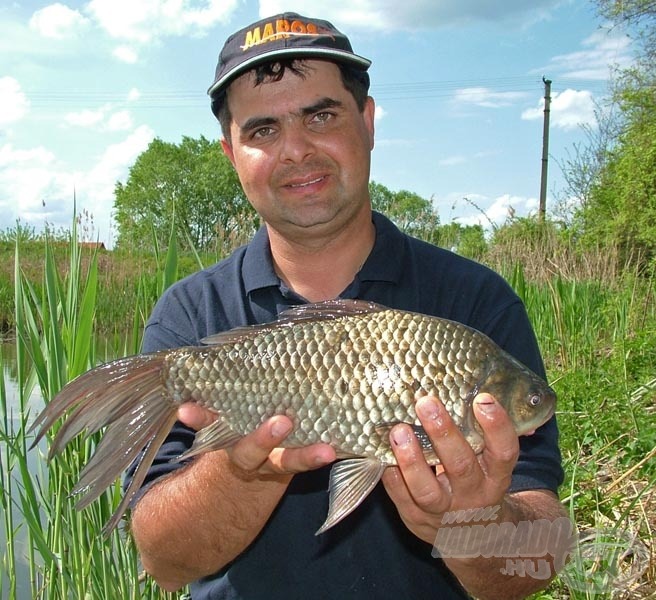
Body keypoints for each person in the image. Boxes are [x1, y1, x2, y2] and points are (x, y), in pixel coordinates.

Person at [127, 12, 568, 599]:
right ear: (232, 154)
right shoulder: (190, 316)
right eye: (262, 130)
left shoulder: (475, 299)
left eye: (321, 115)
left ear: (367, 121)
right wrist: (239, 472)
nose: (296, 150)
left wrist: (471, 530)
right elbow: (164, 561)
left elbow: (542, 552)